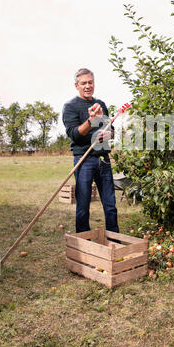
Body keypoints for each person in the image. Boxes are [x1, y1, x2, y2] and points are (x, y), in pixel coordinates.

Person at [62, 68, 119, 236]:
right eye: (83, 83)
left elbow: (111, 128)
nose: (88, 86)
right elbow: (75, 135)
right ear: (76, 85)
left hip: (103, 159)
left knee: (110, 205)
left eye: (90, 82)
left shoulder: (101, 104)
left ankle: (114, 241)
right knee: (83, 206)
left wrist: (110, 133)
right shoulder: (70, 107)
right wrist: (91, 120)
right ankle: (83, 244)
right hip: (83, 160)